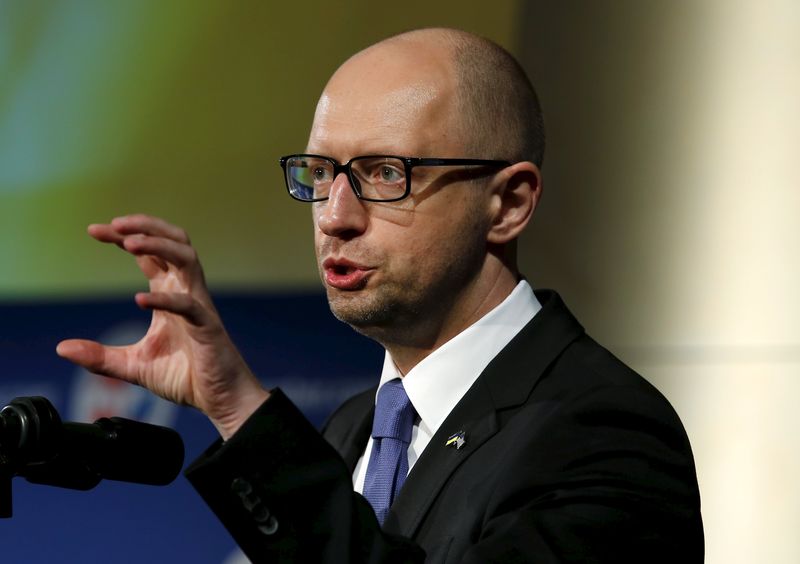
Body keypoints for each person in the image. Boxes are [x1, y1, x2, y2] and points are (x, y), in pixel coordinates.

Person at [57, 28, 703, 563]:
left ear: (507, 203)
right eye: (319, 174)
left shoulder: (603, 432)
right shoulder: (352, 427)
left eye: (384, 173)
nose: (335, 216)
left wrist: (240, 411)